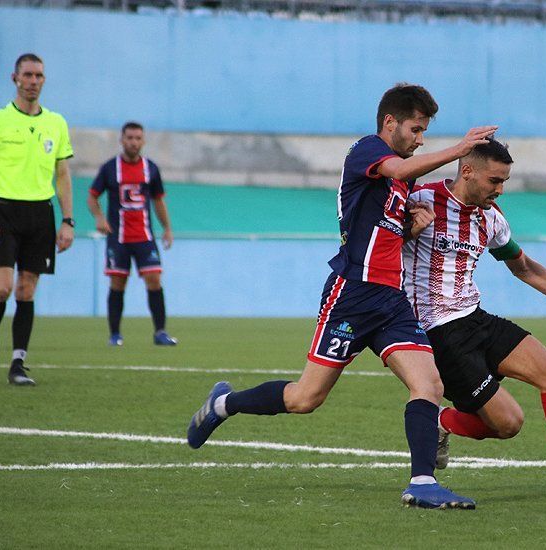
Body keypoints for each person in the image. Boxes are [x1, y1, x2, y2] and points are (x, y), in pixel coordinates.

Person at [186, 83, 497, 509]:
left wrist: (412, 227)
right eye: (416, 129)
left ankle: (422, 483)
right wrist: (461, 149)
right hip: (351, 296)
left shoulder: (398, 182)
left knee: (429, 383)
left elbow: (381, 230)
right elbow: (398, 174)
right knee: (304, 399)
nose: (420, 139)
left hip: (391, 302)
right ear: (390, 122)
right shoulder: (367, 151)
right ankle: (224, 404)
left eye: (424, 132)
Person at [402, 139, 546, 503]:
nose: (500, 190)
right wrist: (409, 230)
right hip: (437, 334)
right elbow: (373, 243)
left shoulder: (490, 218)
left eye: (504, 181)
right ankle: (442, 422)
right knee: (508, 424)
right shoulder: (419, 200)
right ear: (467, 171)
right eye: (495, 180)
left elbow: (523, 267)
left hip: (475, 318)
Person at [0, 53, 74, 386]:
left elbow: (63, 174)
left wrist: (68, 220)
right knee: (3, 288)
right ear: (15, 78)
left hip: (40, 214)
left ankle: (18, 363)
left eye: (39, 75)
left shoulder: (56, 123)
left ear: (44, 80)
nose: (33, 80)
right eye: (28, 75)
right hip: (4, 212)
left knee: (26, 290)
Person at [87, 122, 177, 346]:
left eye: (138, 138)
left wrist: (167, 228)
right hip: (118, 238)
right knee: (118, 284)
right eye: (130, 138)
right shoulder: (110, 168)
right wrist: (99, 217)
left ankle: (160, 332)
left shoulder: (151, 168)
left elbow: (158, 200)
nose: (134, 142)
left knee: (154, 280)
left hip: (145, 237)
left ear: (143, 141)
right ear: (122, 139)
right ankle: (115, 335)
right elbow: (92, 196)